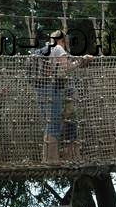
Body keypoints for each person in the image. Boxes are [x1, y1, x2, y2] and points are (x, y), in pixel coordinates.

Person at [34, 30, 93, 162]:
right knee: (54, 124)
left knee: (50, 123)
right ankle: (52, 159)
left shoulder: (43, 49)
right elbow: (66, 67)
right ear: (62, 41)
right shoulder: (58, 48)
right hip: (52, 88)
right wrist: (81, 61)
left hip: (40, 88)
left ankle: (48, 157)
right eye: (65, 42)